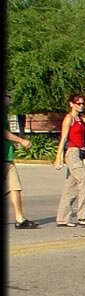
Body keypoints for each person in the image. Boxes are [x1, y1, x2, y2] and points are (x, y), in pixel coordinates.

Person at [54, 93, 85, 227]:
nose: (80, 106)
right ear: (71, 104)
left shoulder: (81, 118)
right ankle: (83, 217)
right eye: (78, 103)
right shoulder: (69, 118)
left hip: (79, 154)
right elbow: (63, 138)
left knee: (71, 188)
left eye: (82, 103)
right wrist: (58, 158)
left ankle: (63, 219)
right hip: (72, 153)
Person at [4, 91, 39, 229]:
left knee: (15, 187)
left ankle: (20, 219)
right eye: (7, 97)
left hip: (8, 157)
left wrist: (12, 144)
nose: (9, 100)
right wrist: (21, 140)